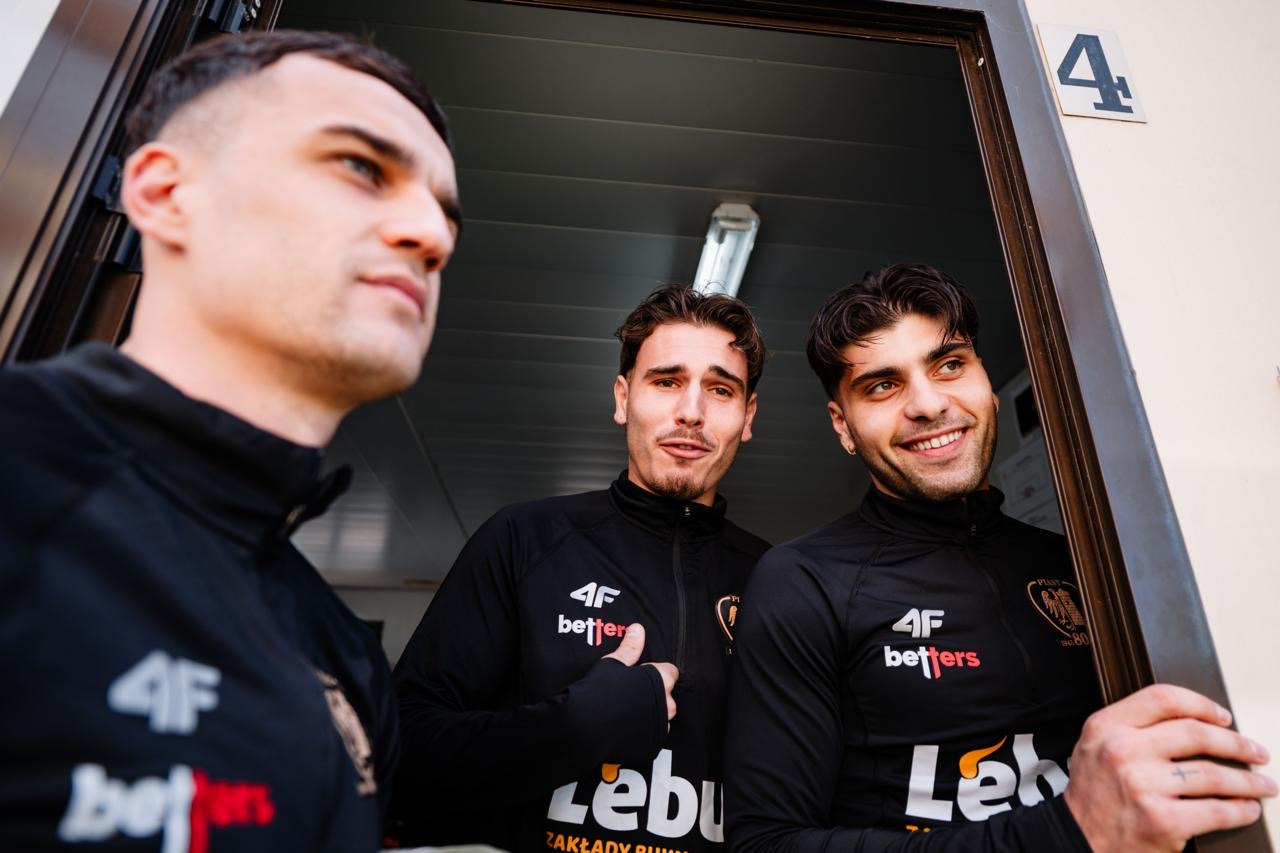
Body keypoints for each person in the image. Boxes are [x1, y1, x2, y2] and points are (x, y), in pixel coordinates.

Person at [0, 31, 460, 852]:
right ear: (166, 192)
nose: (433, 234)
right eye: (362, 166)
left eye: (446, 211)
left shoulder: (343, 658)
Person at [723, 263, 1275, 851]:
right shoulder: (803, 581)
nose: (928, 404)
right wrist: (1065, 830)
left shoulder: (1080, 565)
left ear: (985, 379)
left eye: (949, 365)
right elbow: (766, 845)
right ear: (843, 425)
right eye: (883, 386)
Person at [390, 284, 770, 852]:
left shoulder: (777, 580)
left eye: (720, 389)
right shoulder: (524, 541)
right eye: (666, 381)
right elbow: (401, 746)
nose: (691, 412)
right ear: (623, 398)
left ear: (747, 415)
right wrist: (574, 727)